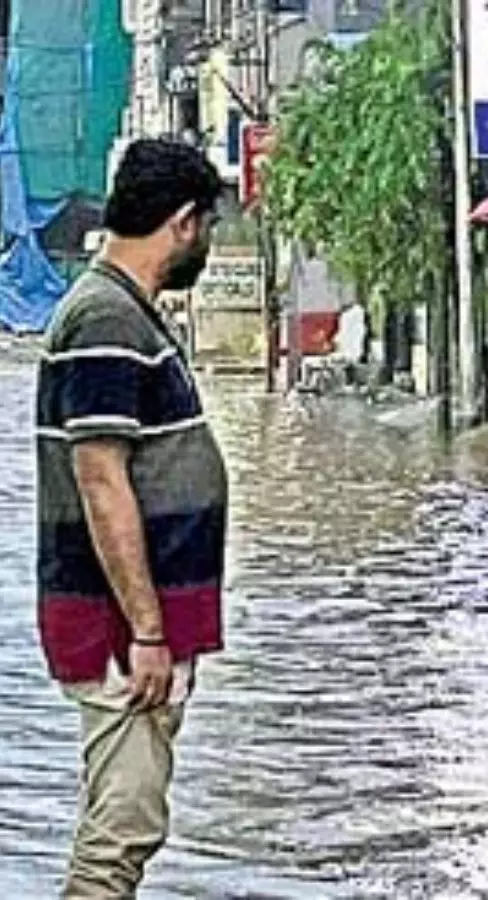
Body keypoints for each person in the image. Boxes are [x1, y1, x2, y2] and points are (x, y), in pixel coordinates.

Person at [34, 138, 228, 896]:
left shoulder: (119, 311)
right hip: (120, 628)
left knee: (123, 820)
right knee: (122, 828)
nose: (206, 242)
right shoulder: (107, 319)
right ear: (183, 223)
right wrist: (147, 629)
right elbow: (100, 477)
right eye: (207, 225)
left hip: (133, 622)